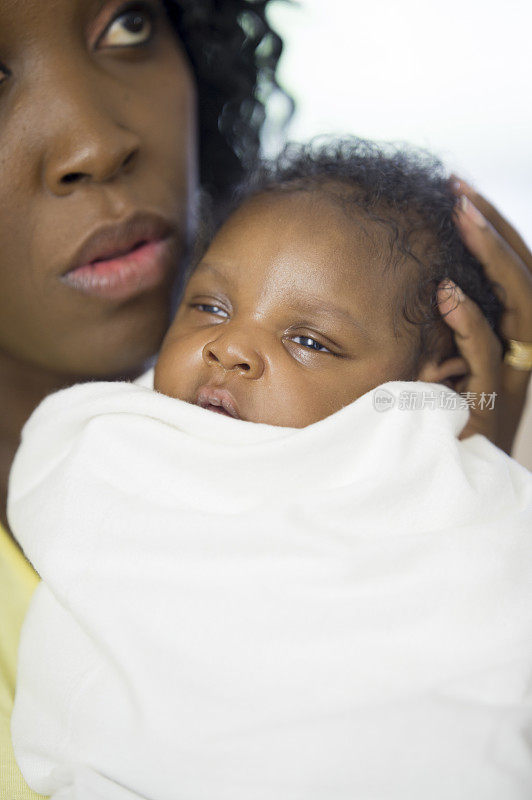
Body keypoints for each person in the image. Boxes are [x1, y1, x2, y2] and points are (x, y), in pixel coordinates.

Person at [0, 0, 531, 796]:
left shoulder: (475, 458)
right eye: (210, 308)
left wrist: (461, 491)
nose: (97, 145)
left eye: (129, 22)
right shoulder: (96, 453)